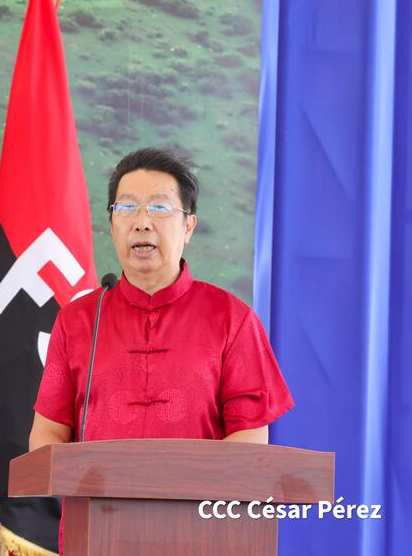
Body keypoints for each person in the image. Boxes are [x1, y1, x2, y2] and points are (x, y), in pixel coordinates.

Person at [30, 146, 294, 451]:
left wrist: (184, 477)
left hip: (199, 486)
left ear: (188, 227)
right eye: (126, 208)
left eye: (159, 208)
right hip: (94, 486)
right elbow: (47, 435)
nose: (142, 223)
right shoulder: (78, 319)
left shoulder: (233, 320)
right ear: (112, 225)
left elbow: (250, 438)